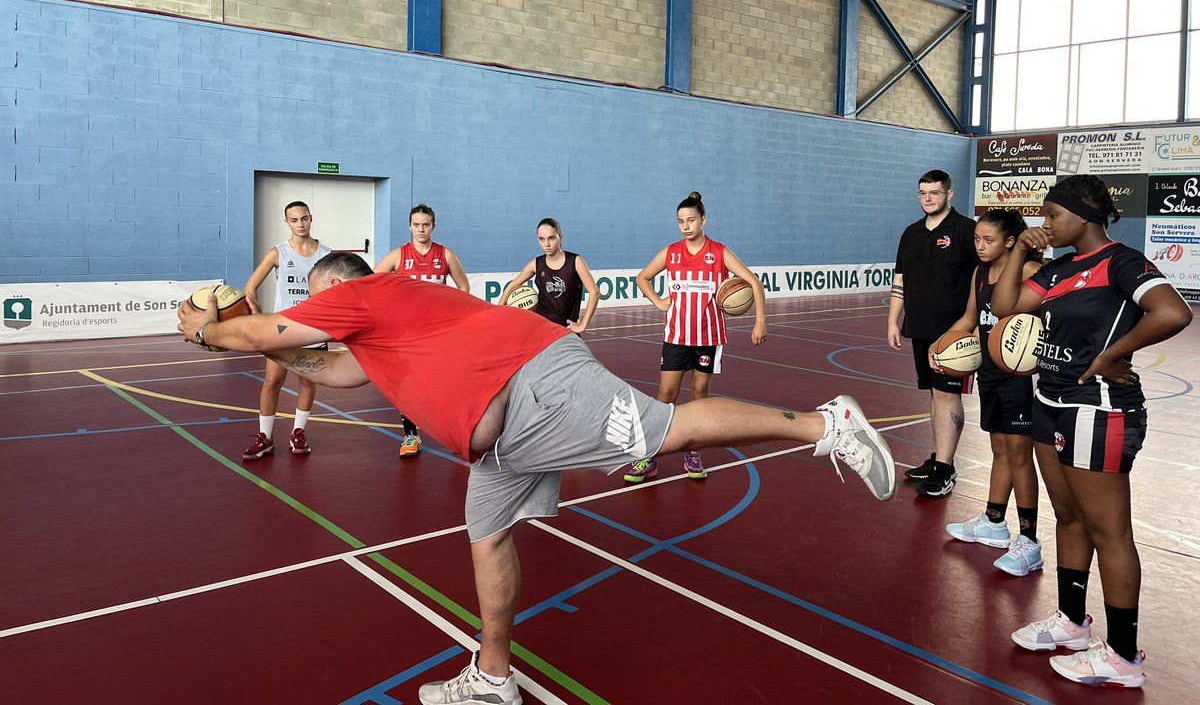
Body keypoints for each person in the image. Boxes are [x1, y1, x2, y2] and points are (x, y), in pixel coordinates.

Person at [179, 251, 896, 705]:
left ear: (339, 286)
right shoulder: (375, 333)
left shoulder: (364, 294)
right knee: (486, 535)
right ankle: (494, 678)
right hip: (504, 441)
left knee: (664, 430)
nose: (314, 311)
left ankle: (823, 424)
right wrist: (258, 338)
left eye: (318, 299)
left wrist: (208, 327)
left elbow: (266, 334)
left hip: (536, 384)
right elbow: (333, 373)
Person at [992, 175, 1191, 689]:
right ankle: (1072, 624)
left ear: (1083, 217)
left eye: (1052, 216)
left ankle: (1124, 657)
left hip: (1098, 407)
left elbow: (1172, 311)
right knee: (1068, 516)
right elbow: (1006, 307)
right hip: (1048, 398)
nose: (1045, 224)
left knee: (1110, 531)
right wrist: (1017, 249)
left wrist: (1113, 354)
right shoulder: (1058, 268)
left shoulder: (1121, 261)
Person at [624, 191, 768, 484]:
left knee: (700, 398)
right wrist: (658, 302)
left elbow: (753, 281)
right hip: (676, 335)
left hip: (708, 337)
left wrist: (760, 322)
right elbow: (643, 277)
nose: (685, 226)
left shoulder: (719, 252)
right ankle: (648, 457)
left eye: (691, 220)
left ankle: (692, 452)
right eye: (680, 221)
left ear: (704, 220)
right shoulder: (671, 252)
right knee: (666, 397)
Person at [935, 208, 1043, 576]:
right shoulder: (980, 273)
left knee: (1019, 455)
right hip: (990, 372)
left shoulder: (1029, 273)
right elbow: (969, 318)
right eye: (976, 239)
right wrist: (943, 343)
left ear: (1011, 242)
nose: (979, 246)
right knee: (999, 448)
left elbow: (1048, 321)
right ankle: (995, 521)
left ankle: (1029, 541)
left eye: (988, 240)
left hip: (1020, 376)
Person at [887, 169, 979, 497]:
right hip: (920, 327)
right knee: (934, 394)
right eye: (923, 193)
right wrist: (892, 321)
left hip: (954, 333)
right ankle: (938, 460)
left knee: (946, 394)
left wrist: (976, 325)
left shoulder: (967, 230)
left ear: (949, 195)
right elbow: (901, 280)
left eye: (935, 193)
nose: (928, 198)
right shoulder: (911, 233)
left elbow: (981, 278)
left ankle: (945, 468)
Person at [375, 204, 470, 457]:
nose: (420, 229)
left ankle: (458, 434)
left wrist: (453, 316)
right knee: (406, 385)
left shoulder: (445, 255)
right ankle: (410, 436)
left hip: (439, 333)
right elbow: (371, 281)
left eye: (425, 224)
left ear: (433, 227)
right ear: (409, 226)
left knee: (448, 383)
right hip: (406, 333)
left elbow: (464, 288)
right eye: (416, 224)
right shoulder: (398, 255)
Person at [241, 201, 332, 459]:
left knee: (306, 381)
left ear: (311, 219)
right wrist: (257, 315)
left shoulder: (326, 254)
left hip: (313, 330)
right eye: (294, 220)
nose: (300, 224)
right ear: (287, 223)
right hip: (282, 330)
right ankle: (265, 437)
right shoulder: (278, 253)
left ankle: (298, 432)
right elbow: (250, 286)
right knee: (272, 381)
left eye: (304, 218)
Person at [498, 218, 600, 333]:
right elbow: (512, 285)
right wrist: (499, 313)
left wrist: (582, 325)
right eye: (542, 239)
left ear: (560, 238)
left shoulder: (575, 261)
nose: (546, 244)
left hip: (566, 330)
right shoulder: (536, 264)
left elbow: (594, 293)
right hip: (542, 329)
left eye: (551, 238)